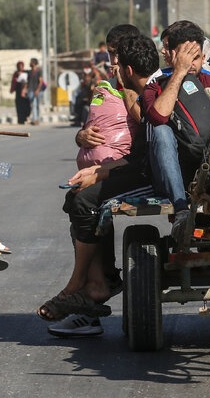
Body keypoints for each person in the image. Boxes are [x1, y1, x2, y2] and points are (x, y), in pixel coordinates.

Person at [39, 31, 157, 335]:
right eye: (111, 54)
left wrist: (101, 173)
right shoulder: (109, 86)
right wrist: (81, 137)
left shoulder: (145, 87)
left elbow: (146, 142)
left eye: (118, 55)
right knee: (78, 201)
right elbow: (92, 127)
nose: (112, 62)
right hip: (119, 167)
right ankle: (93, 289)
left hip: (137, 169)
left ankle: (85, 286)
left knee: (84, 201)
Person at [142, 20, 210, 240]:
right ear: (173, 56)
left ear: (203, 57)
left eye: (195, 57)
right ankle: (181, 210)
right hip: (175, 173)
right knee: (161, 131)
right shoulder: (155, 86)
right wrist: (179, 73)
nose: (191, 64)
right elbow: (158, 116)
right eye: (186, 57)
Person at [27, 58, 44, 125]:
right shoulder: (29, 72)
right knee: (33, 105)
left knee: (36, 105)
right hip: (31, 90)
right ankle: (35, 119)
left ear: (34, 63)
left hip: (38, 91)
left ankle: (36, 119)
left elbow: (40, 82)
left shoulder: (38, 71)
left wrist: (37, 90)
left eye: (31, 62)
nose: (30, 63)